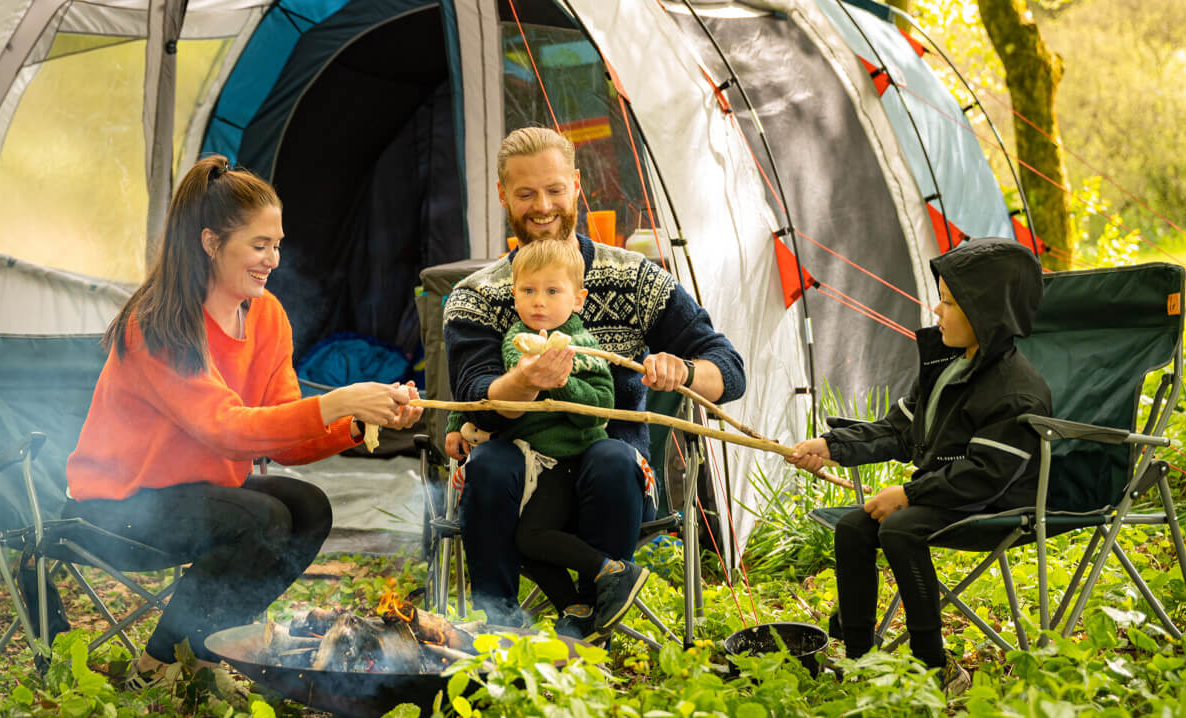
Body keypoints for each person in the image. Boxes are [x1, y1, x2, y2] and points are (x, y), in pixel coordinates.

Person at [62, 155, 422, 691]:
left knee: (307, 507)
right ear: (210, 243)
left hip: (199, 493)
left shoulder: (268, 316)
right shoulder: (156, 325)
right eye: (259, 245)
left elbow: (284, 433)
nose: (273, 259)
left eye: (277, 244)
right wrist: (339, 400)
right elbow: (226, 428)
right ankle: (157, 667)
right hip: (118, 504)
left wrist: (356, 420)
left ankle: (203, 657)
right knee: (261, 518)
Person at [443, 126, 746, 629]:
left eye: (555, 189)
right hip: (520, 470)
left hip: (611, 470)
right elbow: (475, 394)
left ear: (577, 186)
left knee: (609, 456)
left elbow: (728, 368)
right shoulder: (476, 296)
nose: (543, 206)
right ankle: (495, 626)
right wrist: (526, 381)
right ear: (502, 196)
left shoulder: (634, 277)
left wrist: (685, 369)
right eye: (526, 193)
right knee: (491, 464)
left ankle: (595, 611)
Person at [787, 237, 1050, 695]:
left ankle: (934, 664)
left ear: (984, 313)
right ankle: (858, 655)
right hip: (946, 492)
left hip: (997, 498)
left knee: (899, 528)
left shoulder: (1015, 390)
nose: (936, 310)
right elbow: (899, 431)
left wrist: (908, 495)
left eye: (948, 302)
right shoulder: (948, 366)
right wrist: (832, 445)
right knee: (854, 527)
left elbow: (986, 473)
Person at [460, 236, 648, 638]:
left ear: (577, 299)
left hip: (577, 463)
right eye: (528, 291)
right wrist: (454, 426)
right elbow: (485, 396)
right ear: (514, 295)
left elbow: (601, 405)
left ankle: (606, 575)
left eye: (551, 291)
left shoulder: (587, 348)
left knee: (530, 537)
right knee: (521, 537)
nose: (539, 302)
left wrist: (560, 382)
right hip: (536, 469)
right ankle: (578, 604)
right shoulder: (517, 344)